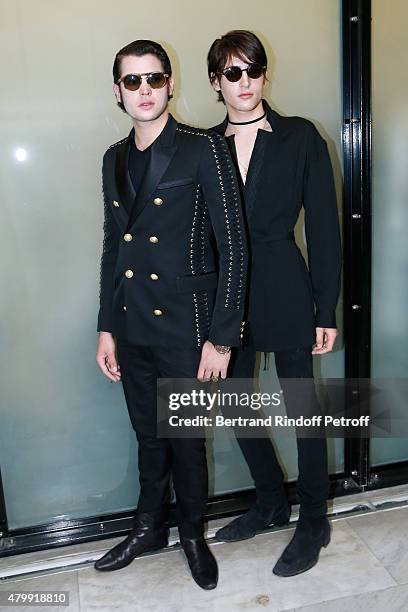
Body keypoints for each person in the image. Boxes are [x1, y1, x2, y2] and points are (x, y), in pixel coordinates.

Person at [94, 39, 247, 590]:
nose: (144, 90)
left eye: (153, 79)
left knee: (185, 441)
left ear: (170, 84)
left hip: (188, 328)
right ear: (118, 91)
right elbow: (115, 247)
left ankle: (190, 534)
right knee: (147, 436)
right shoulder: (113, 158)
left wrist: (222, 337)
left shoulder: (204, 148)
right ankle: (147, 527)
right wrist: (106, 326)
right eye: (131, 81)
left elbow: (234, 246)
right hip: (134, 326)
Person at [207, 30, 341, 577]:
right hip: (226, 297)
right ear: (216, 81)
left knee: (302, 409)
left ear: (265, 73)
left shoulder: (299, 136)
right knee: (234, 404)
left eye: (253, 70)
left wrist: (325, 308)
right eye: (232, 73)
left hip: (285, 285)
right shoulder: (204, 145)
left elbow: (327, 229)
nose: (245, 82)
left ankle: (313, 519)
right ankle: (270, 500)